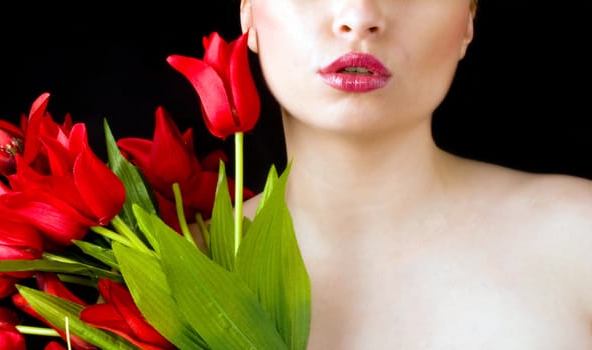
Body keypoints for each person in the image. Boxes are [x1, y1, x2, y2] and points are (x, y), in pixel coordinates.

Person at [231, 0, 592, 348]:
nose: (359, 16)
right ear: (248, 10)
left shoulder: (580, 238)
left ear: (468, 18)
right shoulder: (184, 271)